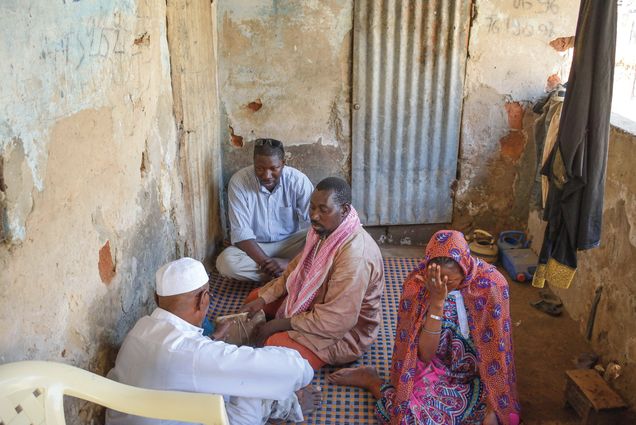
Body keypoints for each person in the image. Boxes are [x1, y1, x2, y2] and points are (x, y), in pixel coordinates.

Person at [328, 230, 521, 425]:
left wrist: (491, 404)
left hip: (480, 377)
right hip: (437, 371)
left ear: (465, 265)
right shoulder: (418, 286)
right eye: (437, 280)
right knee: (406, 419)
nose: (444, 287)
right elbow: (425, 355)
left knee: (506, 418)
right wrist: (437, 301)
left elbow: (498, 353)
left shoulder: (492, 285)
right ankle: (373, 381)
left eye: (451, 281)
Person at [106, 257, 321, 425]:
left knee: (230, 378)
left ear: (156, 299)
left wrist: (212, 340)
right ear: (204, 299)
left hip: (137, 416)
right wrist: (300, 377)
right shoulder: (191, 353)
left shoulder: (141, 327)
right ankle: (289, 406)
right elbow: (292, 368)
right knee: (249, 387)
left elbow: (183, 362)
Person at [240, 177, 384, 370]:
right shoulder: (321, 232)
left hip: (343, 333)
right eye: (312, 207)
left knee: (272, 346)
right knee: (254, 300)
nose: (314, 216)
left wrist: (278, 325)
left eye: (323, 210)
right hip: (317, 306)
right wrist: (264, 299)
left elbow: (336, 321)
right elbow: (293, 272)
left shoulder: (355, 257)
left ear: (344, 210)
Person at [216, 138, 314, 282]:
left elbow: (317, 222)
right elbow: (242, 233)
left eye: (274, 168)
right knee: (226, 263)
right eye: (260, 168)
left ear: (283, 164)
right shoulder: (239, 182)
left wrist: (289, 261)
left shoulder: (298, 180)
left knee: (321, 237)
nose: (266, 175)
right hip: (256, 246)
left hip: (290, 243)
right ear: (254, 164)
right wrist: (267, 263)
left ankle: (289, 268)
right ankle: (290, 273)